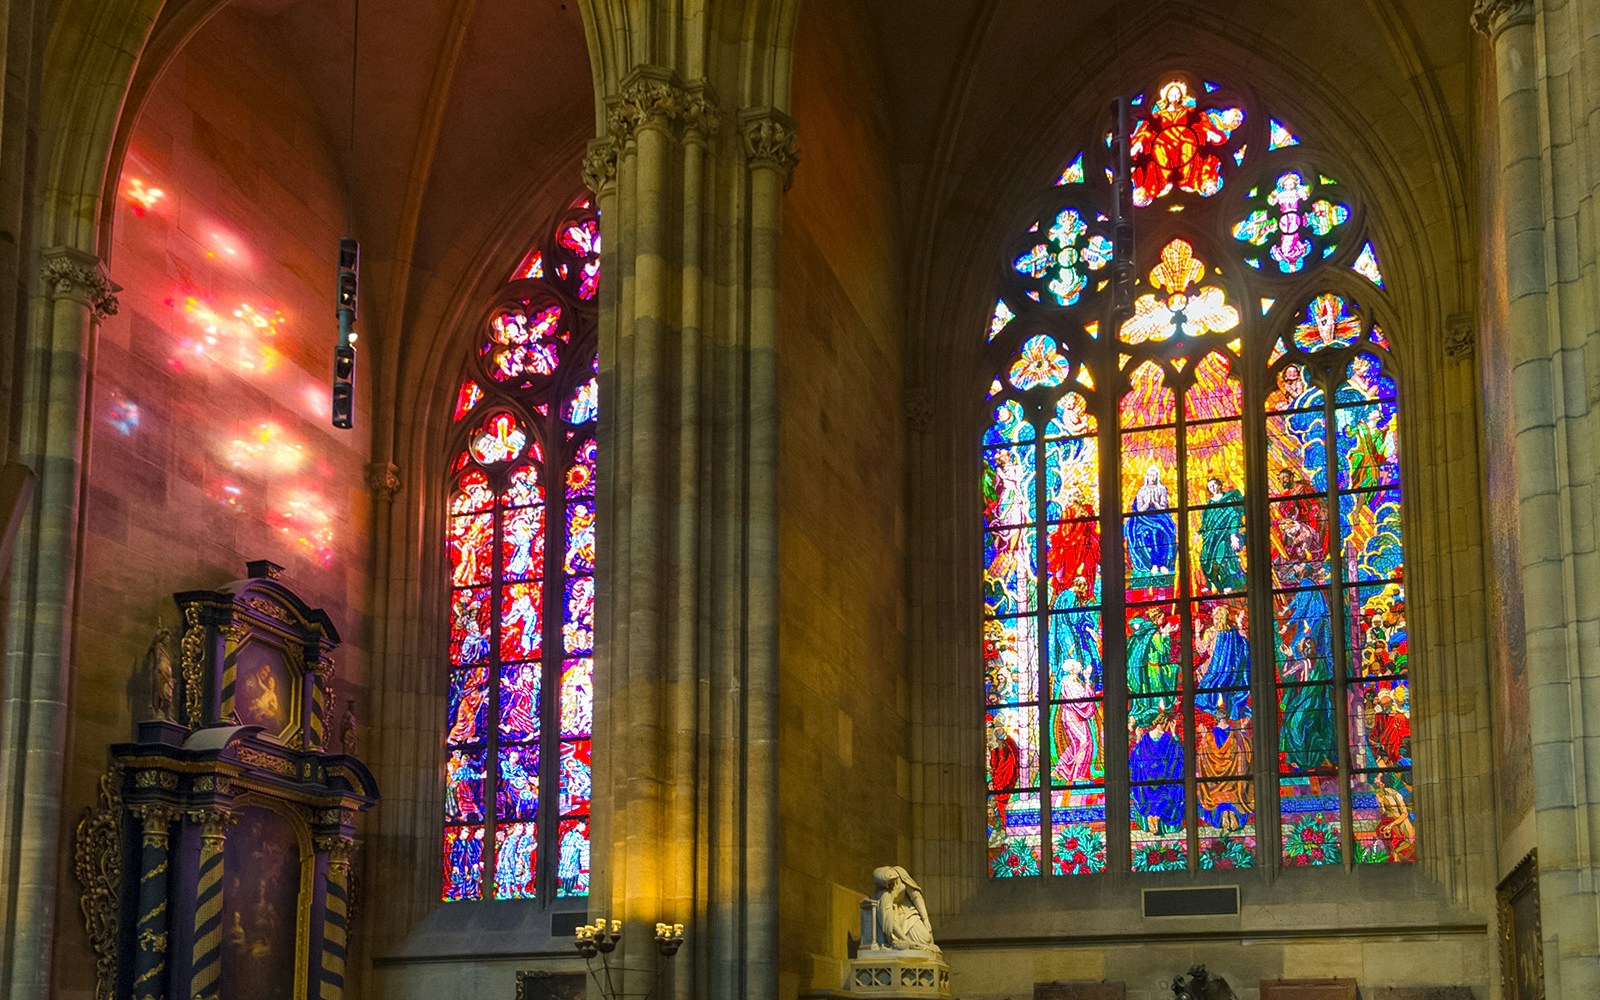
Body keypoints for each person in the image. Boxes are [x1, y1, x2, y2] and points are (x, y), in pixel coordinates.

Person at [1130, 710, 1185, 834]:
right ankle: (1156, 816)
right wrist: (1174, 733)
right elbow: (1178, 753)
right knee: (1168, 793)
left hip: (1147, 779)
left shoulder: (1145, 737)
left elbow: (1137, 755)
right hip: (1164, 777)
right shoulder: (1168, 737)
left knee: (1150, 796)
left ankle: (1151, 816)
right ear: (1165, 723)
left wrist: (1138, 738)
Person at [1195, 604, 1250, 716]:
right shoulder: (1232, 631)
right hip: (1231, 668)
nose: (1214, 621)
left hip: (1213, 666)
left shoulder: (1210, 631)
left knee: (1201, 672)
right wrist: (1239, 624)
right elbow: (1244, 642)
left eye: (1216, 618)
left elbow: (1201, 650)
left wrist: (1197, 634)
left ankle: (1212, 703)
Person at [1128, 464, 1178, 582]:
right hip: (1144, 520)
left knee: (1161, 533)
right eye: (1150, 475)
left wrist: (1154, 502)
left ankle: (1162, 564)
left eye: (1154, 475)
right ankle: (1154, 563)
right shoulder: (1141, 491)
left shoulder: (1161, 489)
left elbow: (1163, 507)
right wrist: (1147, 503)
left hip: (1160, 518)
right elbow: (1139, 510)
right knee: (1148, 533)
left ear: (1157, 476)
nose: (1152, 477)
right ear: (1147, 477)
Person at [872, 866, 939, 953]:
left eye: (894, 880)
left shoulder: (900, 872)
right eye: (889, 884)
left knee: (926, 938)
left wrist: (925, 919)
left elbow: (915, 896)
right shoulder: (884, 895)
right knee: (918, 944)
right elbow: (890, 922)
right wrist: (907, 941)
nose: (894, 885)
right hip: (896, 920)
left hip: (909, 912)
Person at [1197, 477, 1246, 593]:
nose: (1212, 488)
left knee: (1221, 559)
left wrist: (1233, 535)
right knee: (1204, 560)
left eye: (1214, 485)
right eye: (1210, 487)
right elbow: (1206, 521)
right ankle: (1213, 584)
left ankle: (1227, 584)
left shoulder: (1228, 501)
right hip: (1210, 537)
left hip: (1224, 535)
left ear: (1219, 485)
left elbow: (1234, 517)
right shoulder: (1209, 504)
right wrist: (1199, 533)